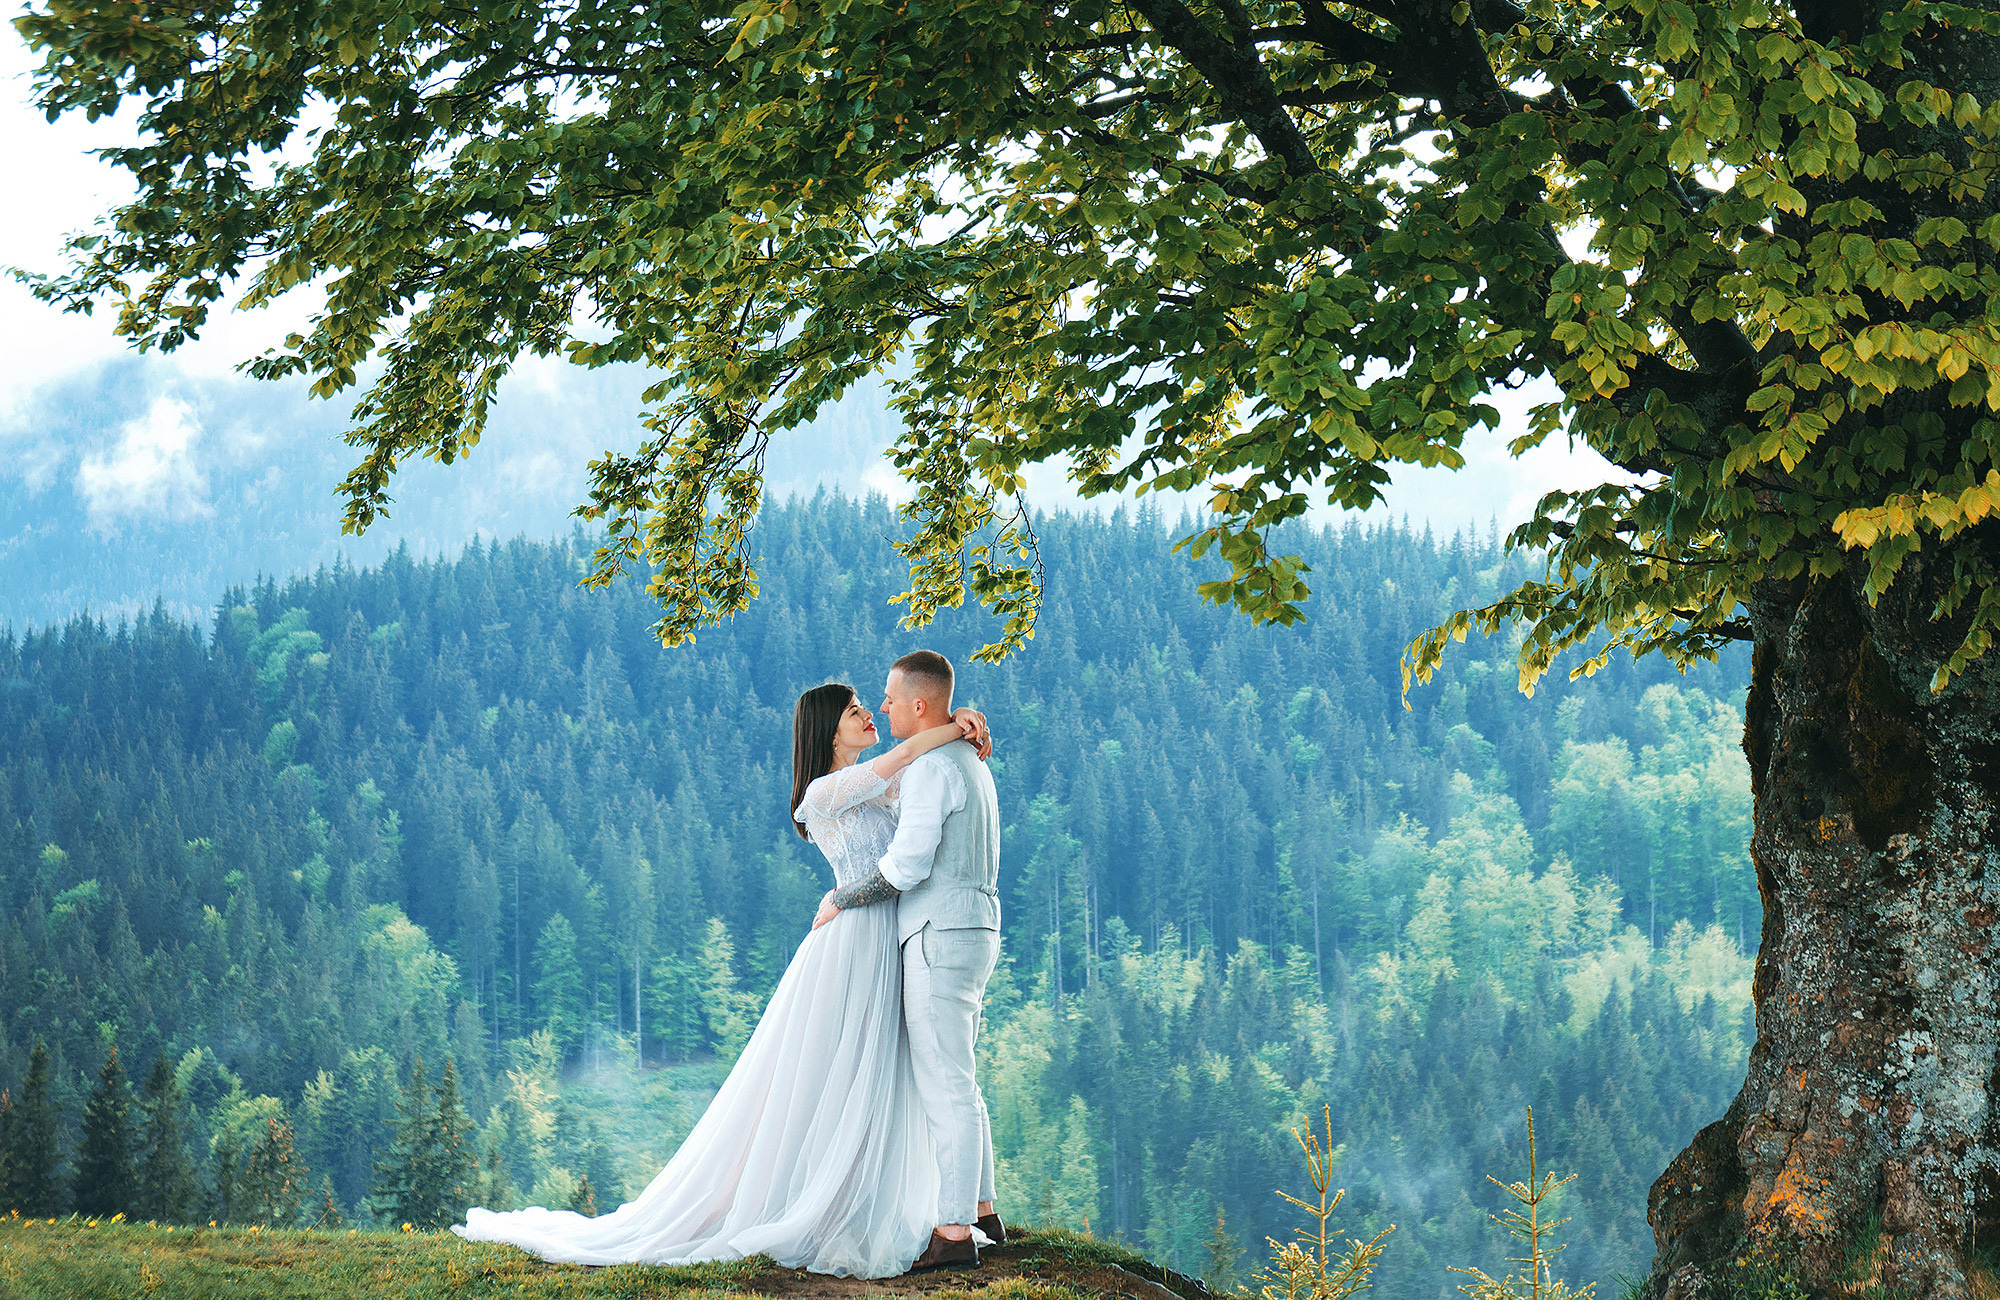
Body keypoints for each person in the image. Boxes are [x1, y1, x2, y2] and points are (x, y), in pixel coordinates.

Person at [450, 679, 991, 1278]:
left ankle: (886, 1200)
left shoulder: (880, 784)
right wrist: (957, 723)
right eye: (855, 710)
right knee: (843, 1073)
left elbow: (915, 774)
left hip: (888, 934)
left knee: (884, 1070)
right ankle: (836, 1204)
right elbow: (910, 753)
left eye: (868, 706)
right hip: (855, 941)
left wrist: (961, 720)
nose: (869, 715)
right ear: (827, 730)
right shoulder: (824, 792)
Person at [813, 649, 1006, 1271]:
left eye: (890, 699)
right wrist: (963, 722)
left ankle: (952, 1232)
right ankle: (981, 1210)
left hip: (934, 934)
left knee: (944, 1080)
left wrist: (842, 897)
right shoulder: (971, 763)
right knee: (962, 1073)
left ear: (918, 704)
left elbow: (907, 866)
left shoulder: (929, 770)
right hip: (976, 926)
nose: (883, 707)